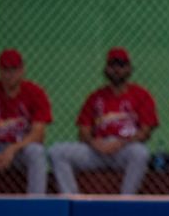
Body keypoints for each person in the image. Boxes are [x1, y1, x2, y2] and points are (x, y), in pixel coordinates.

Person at [49, 47, 157, 195]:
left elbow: (146, 132)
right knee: (57, 151)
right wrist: (94, 143)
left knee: (141, 153)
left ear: (129, 69)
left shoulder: (141, 95)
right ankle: (72, 199)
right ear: (106, 69)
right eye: (113, 65)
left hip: (124, 149)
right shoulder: (95, 97)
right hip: (97, 150)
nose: (117, 69)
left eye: (121, 65)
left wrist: (121, 142)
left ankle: (126, 199)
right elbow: (83, 131)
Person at [0, 49, 52, 193]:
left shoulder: (35, 92)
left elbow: (38, 134)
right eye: (6, 70)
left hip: (20, 150)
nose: (10, 75)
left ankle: (35, 205)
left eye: (14, 69)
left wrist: (12, 149)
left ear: (22, 70)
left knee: (36, 152)